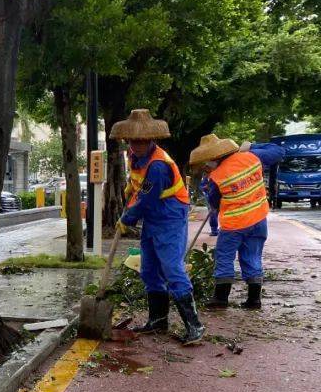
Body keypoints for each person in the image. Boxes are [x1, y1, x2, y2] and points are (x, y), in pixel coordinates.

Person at [112, 109, 204, 345]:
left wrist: (127, 219)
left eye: (142, 140)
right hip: (153, 218)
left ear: (151, 139)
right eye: (134, 141)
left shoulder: (158, 166)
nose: (138, 144)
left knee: (172, 269)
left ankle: (194, 326)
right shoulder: (134, 158)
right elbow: (138, 190)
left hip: (169, 217)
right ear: (128, 141)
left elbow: (147, 200)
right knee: (149, 270)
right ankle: (158, 320)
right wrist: (129, 198)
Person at [189, 134, 285, 310]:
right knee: (252, 257)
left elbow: (214, 203)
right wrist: (253, 146)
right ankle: (254, 300)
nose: (207, 165)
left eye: (208, 162)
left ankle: (220, 299)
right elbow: (278, 151)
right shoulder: (251, 157)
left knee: (224, 257)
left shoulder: (217, 176)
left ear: (215, 158)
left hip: (234, 224)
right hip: (259, 219)